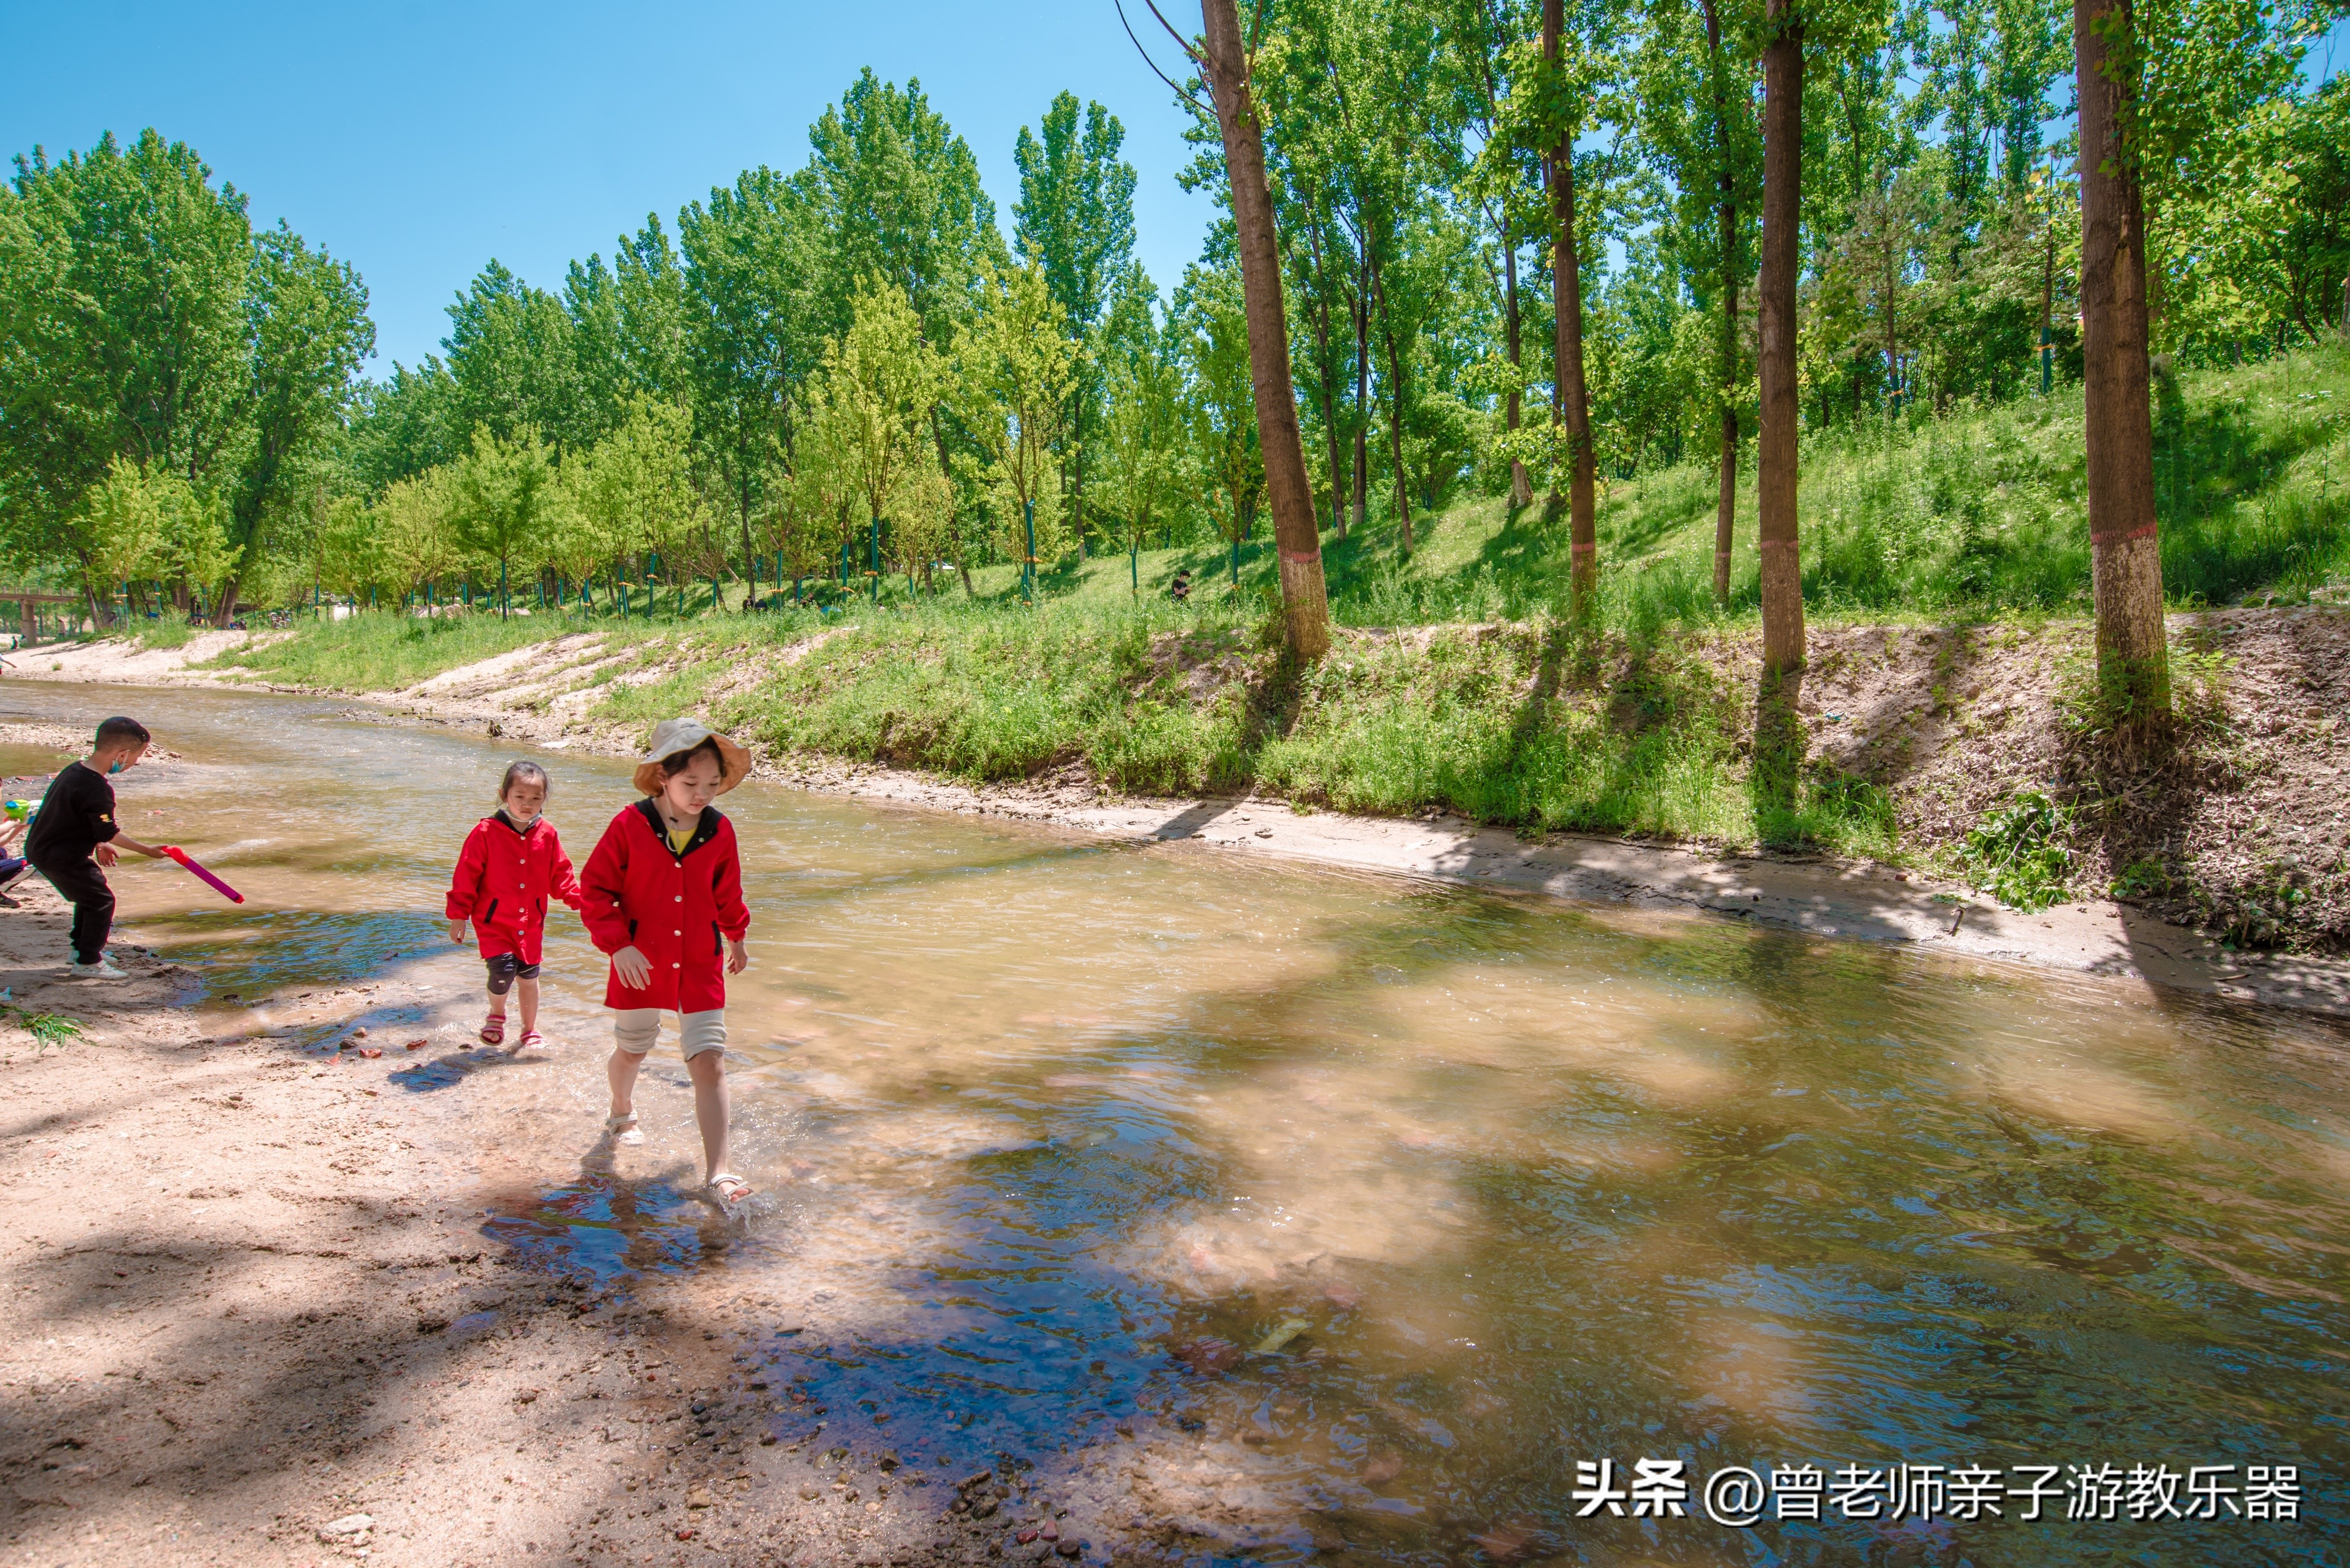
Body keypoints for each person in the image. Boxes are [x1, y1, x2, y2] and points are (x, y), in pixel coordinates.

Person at [580, 719, 754, 1210]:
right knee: (633, 1048)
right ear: (662, 778)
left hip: (699, 959)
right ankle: (621, 1111)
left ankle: (718, 1171)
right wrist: (617, 946)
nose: (702, 795)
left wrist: (737, 936)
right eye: (690, 784)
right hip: (640, 959)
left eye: (712, 785)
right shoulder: (629, 825)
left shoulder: (720, 830)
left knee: (710, 1060)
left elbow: (727, 892)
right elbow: (594, 890)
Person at [445, 761, 581, 1049]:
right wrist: (459, 916)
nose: (527, 804)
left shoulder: (548, 833)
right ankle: (496, 1015)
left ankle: (529, 1030)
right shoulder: (485, 832)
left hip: (531, 922)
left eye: (536, 798)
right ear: (504, 794)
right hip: (493, 921)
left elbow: (561, 876)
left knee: (529, 976)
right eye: (520, 796)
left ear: (545, 799)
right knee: (503, 971)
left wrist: (581, 901)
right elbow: (466, 877)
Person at [24, 717, 167, 979]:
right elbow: (108, 831)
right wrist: (147, 850)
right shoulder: (97, 788)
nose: (134, 763)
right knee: (101, 902)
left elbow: (83, 818)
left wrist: (100, 842)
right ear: (122, 754)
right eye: (137, 757)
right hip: (60, 855)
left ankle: (81, 950)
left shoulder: (75, 771)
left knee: (90, 896)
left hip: (44, 847)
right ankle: (88, 962)